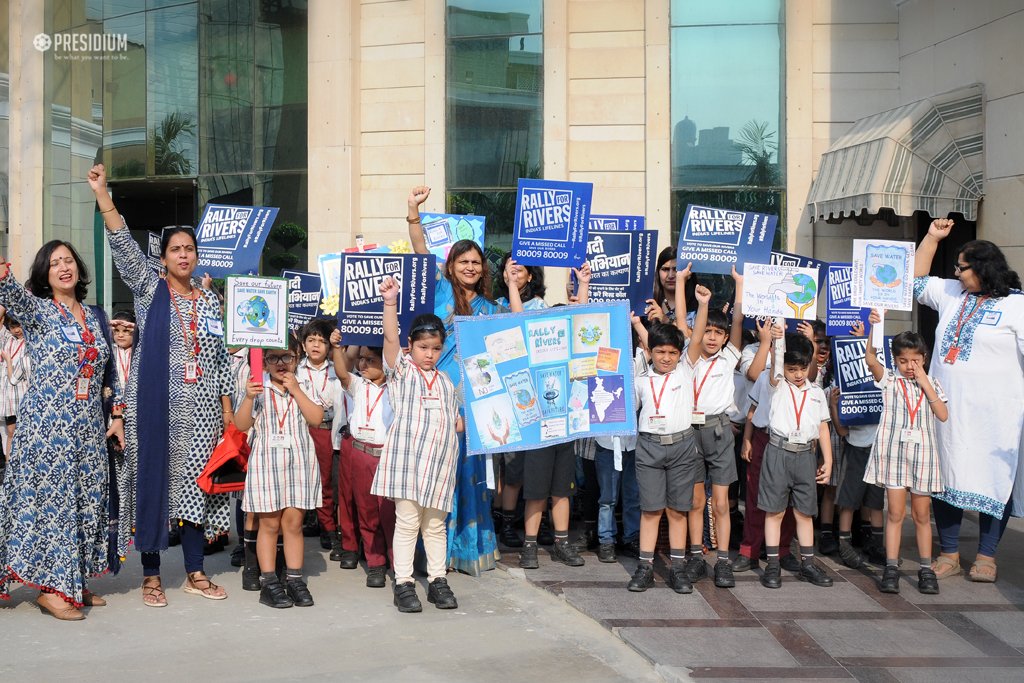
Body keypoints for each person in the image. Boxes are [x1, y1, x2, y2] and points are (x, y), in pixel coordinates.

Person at [89, 163, 234, 606]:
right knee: (152, 485)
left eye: (189, 249)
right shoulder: (150, 290)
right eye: (175, 249)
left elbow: (219, 358)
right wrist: (103, 196)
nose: (184, 256)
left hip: (203, 415)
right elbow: (123, 246)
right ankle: (151, 575)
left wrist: (228, 411)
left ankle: (194, 570)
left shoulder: (210, 300)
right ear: (165, 257)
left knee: (196, 491)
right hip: (154, 413)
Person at [0, 241, 124, 619]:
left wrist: (116, 414)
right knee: (54, 506)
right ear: (45, 274)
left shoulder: (94, 315)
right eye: (55, 263)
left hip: (88, 428)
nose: (64, 268)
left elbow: (109, 371)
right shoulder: (38, 311)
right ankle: (52, 590)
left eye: (68, 260)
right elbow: (8, 292)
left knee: (85, 502)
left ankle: (73, 581)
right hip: (47, 427)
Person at [913, 219, 1024, 583]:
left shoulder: (1017, 307)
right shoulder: (950, 294)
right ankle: (949, 554)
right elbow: (912, 281)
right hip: (948, 412)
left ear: (982, 269)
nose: (956, 273)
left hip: (997, 415)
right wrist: (931, 237)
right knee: (946, 474)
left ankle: (987, 556)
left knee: (995, 478)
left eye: (961, 267)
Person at [406, 186, 504, 576]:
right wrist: (414, 210)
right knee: (437, 474)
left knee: (469, 475)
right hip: (437, 399)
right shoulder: (441, 289)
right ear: (450, 266)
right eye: (463, 261)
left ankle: (469, 548)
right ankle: (435, 555)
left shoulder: (490, 308)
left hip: (476, 403)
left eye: (476, 262)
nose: (469, 267)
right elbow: (420, 250)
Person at [374, 276, 462, 613]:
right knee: (408, 522)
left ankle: (438, 580)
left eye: (436, 348)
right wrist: (390, 302)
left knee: (435, 525)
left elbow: (455, 422)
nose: (430, 354)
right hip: (409, 463)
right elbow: (390, 338)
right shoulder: (403, 371)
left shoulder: (445, 380)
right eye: (424, 347)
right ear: (412, 345)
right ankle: (404, 583)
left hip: (440, 464)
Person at [500, 257, 592, 571]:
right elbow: (519, 324)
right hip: (539, 431)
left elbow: (583, 322)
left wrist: (584, 285)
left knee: (562, 490)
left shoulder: (573, 359)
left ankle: (562, 543)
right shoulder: (533, 357)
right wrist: (512, 284)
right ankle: (529, 547)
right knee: (536, 492)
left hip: (565, 431)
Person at [625, 282, 711, 594]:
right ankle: (645, 567)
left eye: (672, 353)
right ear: (650, 351)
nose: (666, 358)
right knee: (651, 510)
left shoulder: (685, 371)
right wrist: (636, 323)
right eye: (660, 351)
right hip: (648, 447)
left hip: (682, 446)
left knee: (677, 510)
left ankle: (677, 568)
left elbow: (697, 339)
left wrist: (702, 305)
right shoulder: (640, 378)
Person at [861, 312, 948, 594]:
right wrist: (877, 324)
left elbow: (943, 415)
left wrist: (925, 382)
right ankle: (891, 567)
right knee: (895, 513)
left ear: (924, 358)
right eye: (903, 361)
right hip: (894, 454)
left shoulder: (932, 383)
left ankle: (925, 569)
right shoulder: (890, 381)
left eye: (915, 360)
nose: (910, 366)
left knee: (922, 514)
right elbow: (871, 359)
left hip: (923, 456)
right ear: (896, 360)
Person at [235, 341, 324, 609]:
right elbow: (241, 425)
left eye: (286, 357)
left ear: (297, 358)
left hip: (299, 462)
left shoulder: (305, 384)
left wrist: (296, 389)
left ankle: (295, 579)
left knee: (294, 524)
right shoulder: (257, 387)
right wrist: (249, 397)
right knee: (269, 524)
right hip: (266, 463)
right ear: (264, 362)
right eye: (273, 358)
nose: (281, 363)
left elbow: (316, 418)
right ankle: (269, 581)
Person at [679, 266, 744, 589]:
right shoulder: (689, 358)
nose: (713, 337)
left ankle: (722, 560)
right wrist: (687, 289)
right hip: (690, 431)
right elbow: (682, 321)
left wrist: (739, 284)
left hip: (718, 432)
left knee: (720, 501)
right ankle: (695, 556)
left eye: (719, 333)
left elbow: (738, 322)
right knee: (694, 500)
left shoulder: (729, 357)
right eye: (707, 331)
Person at [760, 334, 833, 589]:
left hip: (805, 454)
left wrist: (829, 460)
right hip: (778, 451)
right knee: (775, 511)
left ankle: (808, 564)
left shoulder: (815, 392)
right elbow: (774, 369)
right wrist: (776, 342)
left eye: (803, 368)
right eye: (792, 369)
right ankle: (772, 565)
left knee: (804, 512)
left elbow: (823, 426)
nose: (799, 374)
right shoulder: (777, 384)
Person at [330, 329, 396, 589]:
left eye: (371, 360)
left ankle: (398, 562)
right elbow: (341, 373)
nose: (364, 364)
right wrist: (337, 348)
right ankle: (376, 563)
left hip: (387, 457)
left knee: (389, 514)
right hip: (361, 454)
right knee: (367, 513)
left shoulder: (397, 387)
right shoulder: (358, 385)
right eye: (362, 359)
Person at [297, 319, 346, 561]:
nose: (316, 345)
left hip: (328, 431)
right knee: (302, 479)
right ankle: (308, 520)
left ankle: (328, 528)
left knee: (326, 481)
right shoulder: (295, 370)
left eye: (322, 341)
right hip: (303, 431)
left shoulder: (335, 370)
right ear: (303, 345)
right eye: (311, 340)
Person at [1, 315, 29, 446]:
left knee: (24, 432)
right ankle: (9, 464)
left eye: (18, 326)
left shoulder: (30, 343)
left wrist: (8, 361)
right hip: (8, 396)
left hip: (22, 393)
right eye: (13, 327)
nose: (16, 330)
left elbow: (15, 377)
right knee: (10, 432)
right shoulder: (9, 341)